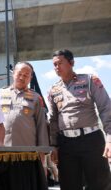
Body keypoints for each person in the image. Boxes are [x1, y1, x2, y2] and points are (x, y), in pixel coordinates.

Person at [48, 49, 111, 190]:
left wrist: (109, 139)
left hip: (92, 141)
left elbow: (106, 109)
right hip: (66, 144)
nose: (56, 67)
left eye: (60, 63)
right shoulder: (53, 89)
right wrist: (54, 146)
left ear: (71, 63)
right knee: (69, 184)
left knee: (99, 184)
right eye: (54, 65)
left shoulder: (90, 81)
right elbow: (53, 120)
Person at [0, 62, 49, 147]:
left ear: (30, 78)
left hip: (28, 150)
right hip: (2, 149)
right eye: (19, 74)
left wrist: (42, 150)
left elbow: (41, 125)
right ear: (13, 74)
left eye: (26, 75)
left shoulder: (36, 97)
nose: (21, 77)